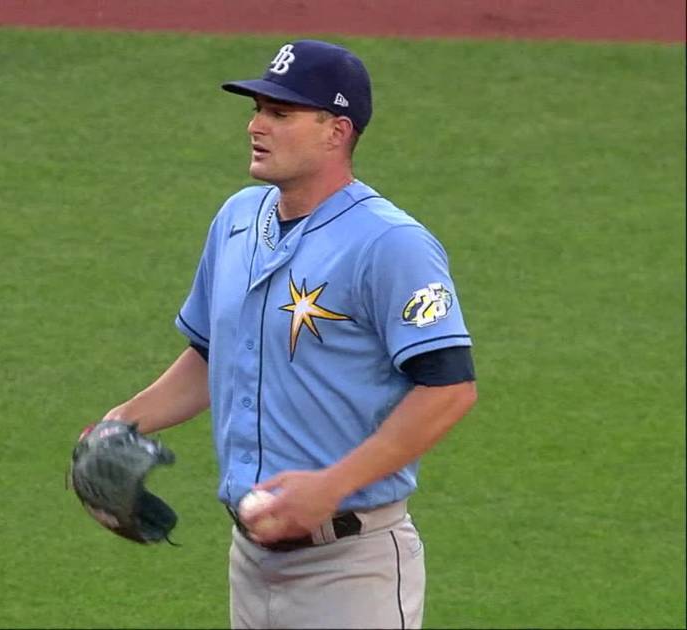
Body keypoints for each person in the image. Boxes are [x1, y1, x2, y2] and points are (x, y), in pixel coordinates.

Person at [101, 39, 478, 629]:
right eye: (258, 110)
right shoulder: (237, 219)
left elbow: (450, 389)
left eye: (281, 113)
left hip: (352, 568)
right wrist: (121, 422)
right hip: (251, 563)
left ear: (336, 131)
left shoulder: (390, 243)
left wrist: (331, 486)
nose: (256, 126)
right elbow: (211, 355)